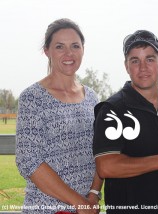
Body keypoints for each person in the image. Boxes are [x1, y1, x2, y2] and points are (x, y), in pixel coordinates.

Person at [93, 30, 158, 214]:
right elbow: (106, 166)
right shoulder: (112, 109)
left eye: (150, 59)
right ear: (126, 66)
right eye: (135, 60)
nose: (143, 67)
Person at [16, 18, 102, 214]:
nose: (69, 53)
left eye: (75, 46)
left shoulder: (92, 98)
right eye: (60, 47)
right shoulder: (32, 98)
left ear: (83, 49)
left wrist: (94, 194)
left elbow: (100, 150)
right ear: (47, 51)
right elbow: (28, 161)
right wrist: (78, 203)